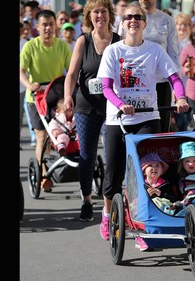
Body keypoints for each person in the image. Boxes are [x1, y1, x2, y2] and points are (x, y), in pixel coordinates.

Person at [96, 2, 189, 240]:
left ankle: (144, 223)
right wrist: (120, 104)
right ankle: (108, 215)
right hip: (118, 119)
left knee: (149, 172)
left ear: (144, 24)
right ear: (122, 22)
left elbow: (174, 78)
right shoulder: (113, 51)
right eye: (128, 17)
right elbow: (106, 87)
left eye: (138, 17)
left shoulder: (155, 50)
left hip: (148, 116)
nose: (133, 20)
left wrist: (181, 97)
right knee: (114, 174)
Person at [63, 0, 120, 222]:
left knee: (112, 156)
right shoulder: (83, 41)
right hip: (86, 107)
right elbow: (72, 74)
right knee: (86, 155)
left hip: (113, 108)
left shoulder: (118, 41)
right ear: (89, 16)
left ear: (109, 15)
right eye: (95, 12)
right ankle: (87, 200)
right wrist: (68, 96)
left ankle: (112, 201)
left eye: (103, 12)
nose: (100, 16)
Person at [20, 9, 71, 192]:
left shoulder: (62, 46)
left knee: (58, 133)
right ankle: (43, 173)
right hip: (35, 98)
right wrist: (29, 85)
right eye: (44, 25)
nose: (48, 28)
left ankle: (62, 163)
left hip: (56, 97)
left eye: (51, 24)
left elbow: (70, 71)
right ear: (38, 26)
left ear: (55, 25)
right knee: (42, 135)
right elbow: (21, 71)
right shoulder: (30, 46)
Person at [118, 0, 180, 133]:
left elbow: (173, 55)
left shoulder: (167, 21)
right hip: (133, 85)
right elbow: (120, 48)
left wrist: (175, 87)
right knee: (130, 130)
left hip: (160, 83)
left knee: (161, 131)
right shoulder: (128, 19)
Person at [136, 152, 177, 251]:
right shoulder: (141, 185)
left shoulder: (166, 184)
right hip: (144, 212)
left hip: (164, 210)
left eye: (157, 165)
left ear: (162, 170)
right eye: (150, 165)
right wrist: (146, 196)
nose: (154, 168)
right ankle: (141, 236)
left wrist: (161, 194)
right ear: (144, 171)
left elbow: (174, 199)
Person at [168, 141, 195, 216]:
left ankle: (189, 218)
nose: (191, 164)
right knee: (175, 209)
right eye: (187, 161)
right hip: (188, 202)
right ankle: (178, 218)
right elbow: (186, 196)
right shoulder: (182, 177)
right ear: (182, 164)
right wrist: (179, 203)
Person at [173, 12, 192, 131]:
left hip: (186, 82)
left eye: (185, 25)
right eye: (179, 25)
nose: (182, 27)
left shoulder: (190, 43)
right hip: (172, 81)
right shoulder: (171, 41)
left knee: (184, 116)